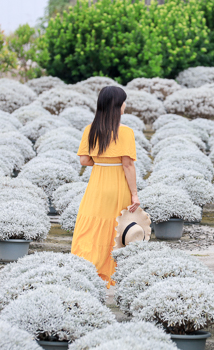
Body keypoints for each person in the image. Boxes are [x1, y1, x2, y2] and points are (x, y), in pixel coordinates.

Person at [71, 86, 140, 287]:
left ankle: (86, 267)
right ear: (117, 105)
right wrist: (134, 194)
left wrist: (101, 163)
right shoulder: (126, 132)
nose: (125, 105)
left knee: (91, 224)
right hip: (117, 185)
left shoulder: (90, 129)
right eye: (124, 102)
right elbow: (128, 165)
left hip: (97, 184)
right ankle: (111, 273)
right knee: (116, 227)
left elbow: (84, 160)